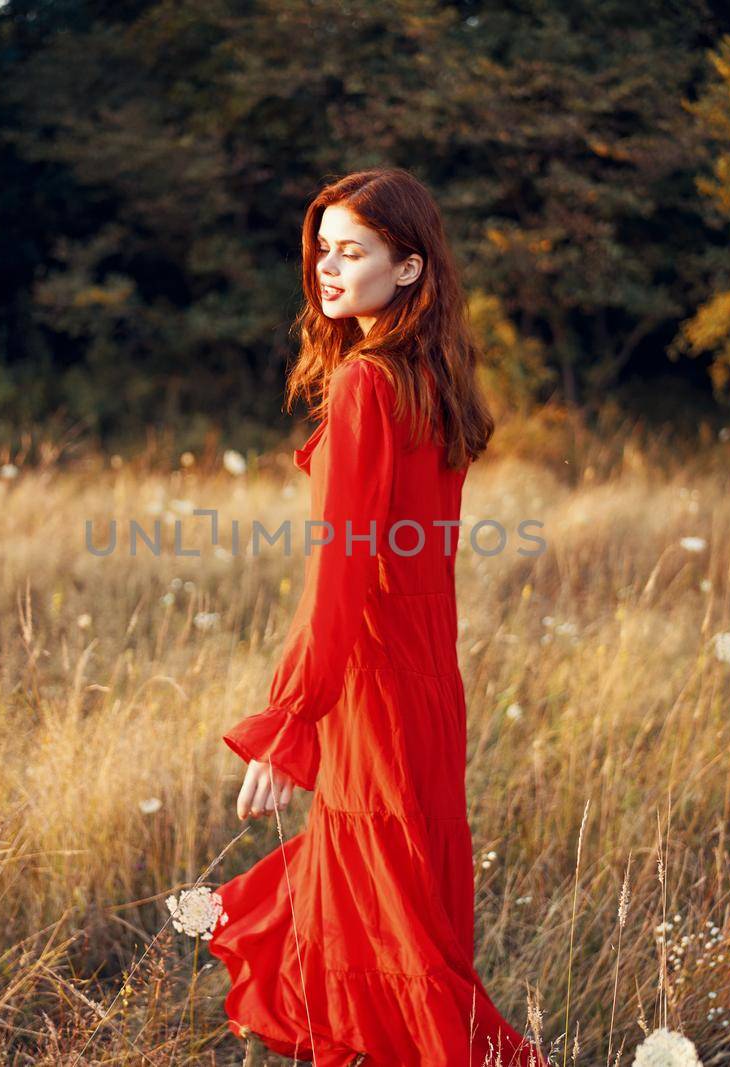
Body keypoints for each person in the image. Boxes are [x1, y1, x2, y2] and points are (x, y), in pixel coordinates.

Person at [207, 168, 548, 1067]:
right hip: (429, 684)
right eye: (321, 248)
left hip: (375, 685)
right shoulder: (432, 378)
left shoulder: (367, 384)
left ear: (408, 268)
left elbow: (341, 576)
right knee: (404, 924)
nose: (326, 268)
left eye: (351, 251)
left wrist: (291, 716)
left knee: (392, 939)